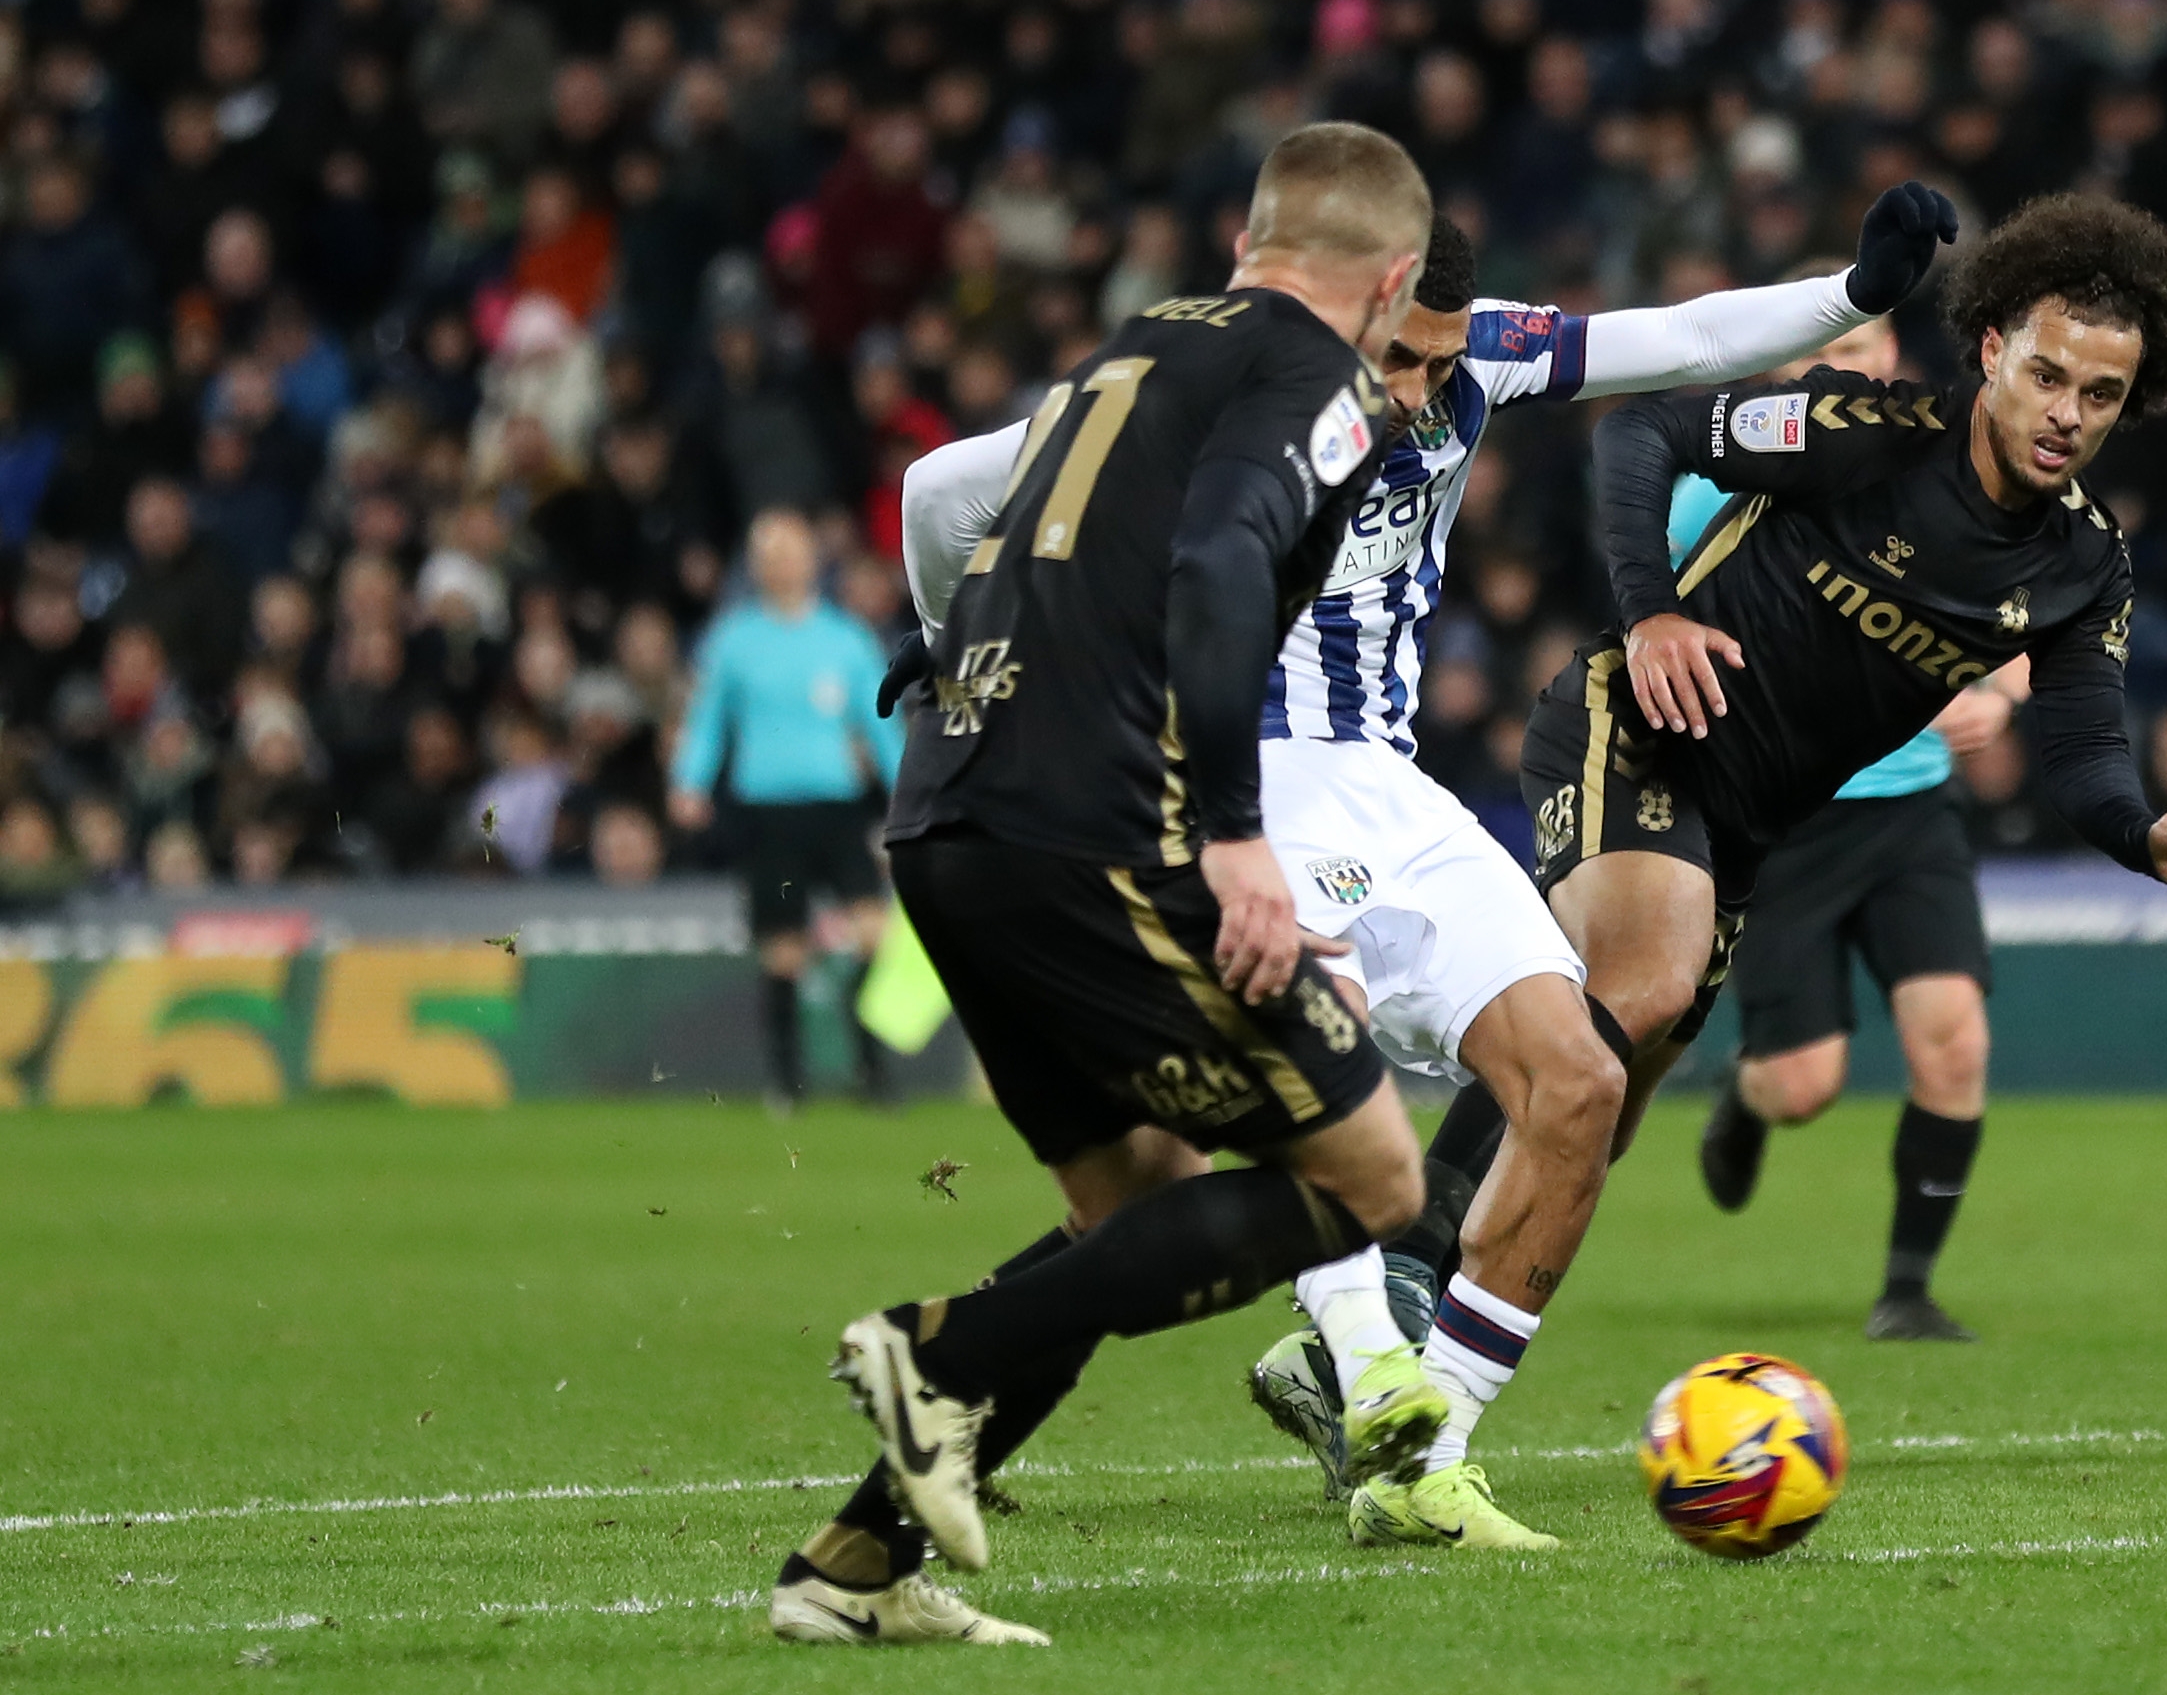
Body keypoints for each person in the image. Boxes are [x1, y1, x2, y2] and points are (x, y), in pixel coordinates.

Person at [892, 186, 1957, 1548]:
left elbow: (1686, 339)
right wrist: (952, 647)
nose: (1427, 390)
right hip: (1226, 786)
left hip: (1386, 785)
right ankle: (1342, 1365)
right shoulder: (1202, 395)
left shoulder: (1475, 355)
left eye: (1446, 359)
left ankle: (1417, 1452)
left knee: (1575, 1076)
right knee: (1264, 1120)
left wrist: (1854, 297)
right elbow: (942, 490)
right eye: (1403, 357)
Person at [1395, 194, 2167, 1433]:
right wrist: (1649, 616)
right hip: (1634, 726)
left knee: (1603, 1119)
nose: (2066, 413)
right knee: (1633, 990)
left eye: (2102, 394)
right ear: (1990, 346)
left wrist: (2140, 833)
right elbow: (1641, 433)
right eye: (2048, 373)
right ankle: (1394, 1267)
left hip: (1746, 834)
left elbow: (2077, 743)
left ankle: (1426, 1399)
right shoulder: (1868, 431)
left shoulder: (2081, 566)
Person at [774, 122, 1429, 1651]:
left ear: (1246, 239)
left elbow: (966, 511)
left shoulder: (1126, 350)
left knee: (1127, 1198)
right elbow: (1213, 567)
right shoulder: (1317, 384)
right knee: (1375, 1181)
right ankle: (936, 1353)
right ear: (1392, 280)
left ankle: (851, 1570)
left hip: (954, 824)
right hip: (1092, 837)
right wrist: (1232, 833)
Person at [1687, 299, 2028, 1343]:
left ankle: (1905, 1290)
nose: (1843, 371)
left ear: (1888, 360)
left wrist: (1997, 692)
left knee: (1954, 1042)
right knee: (1803, 1085)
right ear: (1784, 374)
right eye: (1820, 355)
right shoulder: (1715, 489)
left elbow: (2025, 621)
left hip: (1910, 810)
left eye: (1858, 352)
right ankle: (1747, 1097)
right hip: (1789, 815)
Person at [665, 509, 898, 1110]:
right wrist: (689, 782)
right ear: (756, 566)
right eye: (769, 555)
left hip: (837, 805)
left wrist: (908, 790)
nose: (781, 565)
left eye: (791, 552)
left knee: (874, 934)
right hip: (767, 809)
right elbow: (707, 721)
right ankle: (787, 1083)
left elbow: (880, 723)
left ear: (812, 561)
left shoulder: (844, 638)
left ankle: (871, 1072)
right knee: (784, 948)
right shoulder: (734, 641)